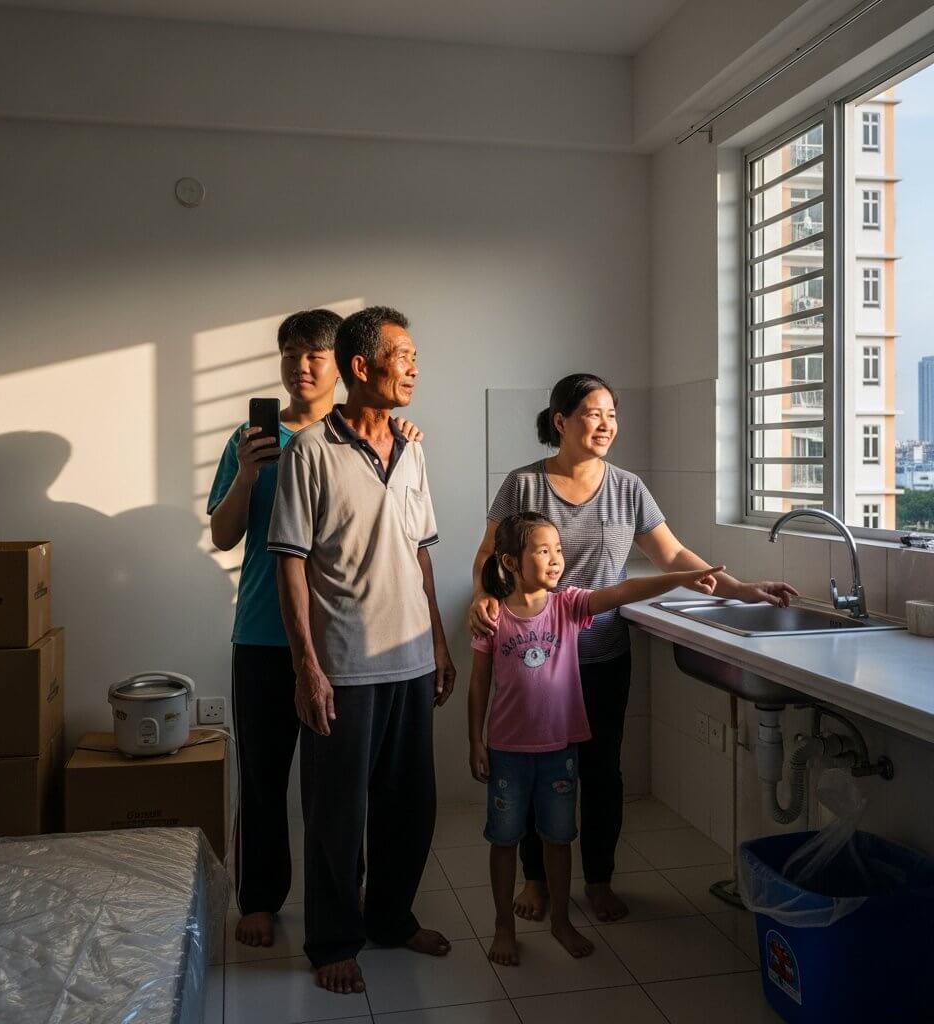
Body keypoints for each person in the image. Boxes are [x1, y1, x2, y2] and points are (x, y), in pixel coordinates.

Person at [469, 373, 797, 924]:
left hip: (600, 656)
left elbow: (672, 556)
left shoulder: (628, 488)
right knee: (529, 770)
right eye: (593, 414)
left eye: (612, 416)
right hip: (533, 659)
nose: (606, 426)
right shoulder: (523, 485)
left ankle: (597, 879)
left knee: (600, 771)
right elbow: (488, 556)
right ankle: (534, 879)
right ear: (561, 422)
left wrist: (741, 588)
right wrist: (482, 598)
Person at [207, 309, 423, 950]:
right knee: (265, 778)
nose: (299, 367)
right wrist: (247, 474)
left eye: (313, 355)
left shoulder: (374, 436)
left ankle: (355, 904)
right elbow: (223, 535)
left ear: (343, 367)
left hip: (346, 645)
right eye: (289, 354)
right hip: (266, 637)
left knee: (346, 790)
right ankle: (262, 898)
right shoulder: (255, 440)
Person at [269, 306, 456, 994]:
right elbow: (291, 562)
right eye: (402, 355)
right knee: (335, 815)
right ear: (362, 366)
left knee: (411, 808)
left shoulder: (413, 449)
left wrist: (438, 641)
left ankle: (391, 919)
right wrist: (306, 666)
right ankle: (333, 941)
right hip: (344, 665)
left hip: (410, 660)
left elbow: (420, 554)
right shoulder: (309, 452)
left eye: (412, 355)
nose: (413, 367)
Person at [469, 511, 724, 965]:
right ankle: (502, 927)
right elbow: (479, 686)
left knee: (559, 837)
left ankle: (562, 921)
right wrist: (475, 741)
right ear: (509, 561)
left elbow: (624, 591)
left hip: (560, 749)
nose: (555, 560)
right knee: (504, 840)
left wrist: (680, 577)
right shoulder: (494, 619)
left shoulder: (568, 606)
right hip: (508, 751)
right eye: (542, 550)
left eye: (559, 551)